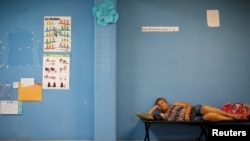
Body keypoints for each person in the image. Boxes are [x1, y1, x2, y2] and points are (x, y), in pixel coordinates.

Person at [147, 97, 246, 121]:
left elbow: (189, 105)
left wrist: (186, 115)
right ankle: (232, 119)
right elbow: (148, 116)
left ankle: (232, 115)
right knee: (209, 116)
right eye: (159, 105)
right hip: (193, 119)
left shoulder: (175, 103)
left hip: (193, 110)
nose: (161, 105)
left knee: (206, 108)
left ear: (166, 102)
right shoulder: (163, 116)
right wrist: (155, 107)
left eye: (162, 102)